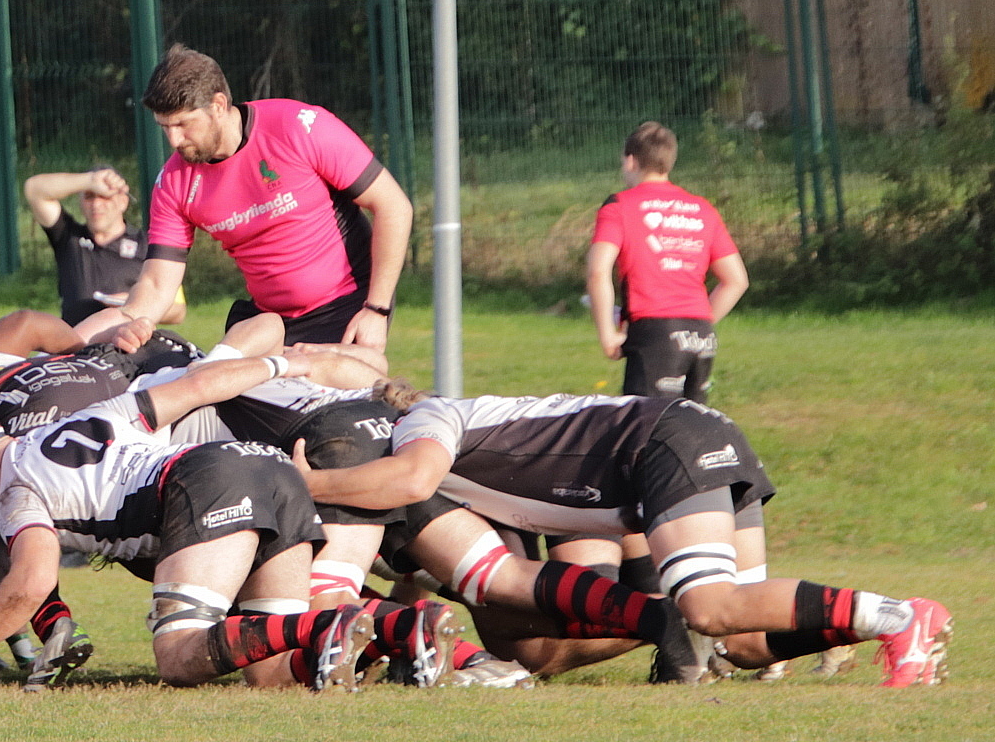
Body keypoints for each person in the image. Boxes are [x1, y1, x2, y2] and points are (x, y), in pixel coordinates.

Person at [300, 382, 954, 688]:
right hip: (686, 435)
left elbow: (411, 480)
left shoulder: (426, 420)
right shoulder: (479, 453)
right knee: (743, 642)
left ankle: (899, 618)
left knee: (707, 606)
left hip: (664, 443)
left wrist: (312, 484)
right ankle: (878, 626)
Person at [0, 351, 379, 692]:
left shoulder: (16, 491)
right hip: (269, 465)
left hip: (205, 480)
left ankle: (322, 626)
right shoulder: (92, 414)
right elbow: (199, 387)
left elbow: (29, 583)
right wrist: (285, 366)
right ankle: (407, 631)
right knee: (270, 671)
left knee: (178, 659)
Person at [74, 45, 413, 349]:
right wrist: (71, 344)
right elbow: (156, 285)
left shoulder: (299, 128)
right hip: (267, 322)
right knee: (209, 392)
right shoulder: (174, 182)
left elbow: (393, 207)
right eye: (165, 127)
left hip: (347, 305)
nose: (173, 140)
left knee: (328, 404)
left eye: (183, 124)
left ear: (218, 105)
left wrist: (376, 309)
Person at [586, 121, 748, 403]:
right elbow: (736, 281)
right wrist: (697, 325)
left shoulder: (619, 206)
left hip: (654, 335)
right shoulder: (702, 208)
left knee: (645, 434)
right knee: (689, 434)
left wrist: (608, 336)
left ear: (630, 161)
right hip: (701, 337)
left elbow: (598, 272)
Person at [23, 167, 184, 327]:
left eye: (105, 196)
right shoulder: (69, 236)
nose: (96, 204)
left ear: (123, 202)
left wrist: (134, 305)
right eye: (89, 196)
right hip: (75, 344)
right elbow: (34, 189)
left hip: (124, 345)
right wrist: (89, 180)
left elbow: (178, 311)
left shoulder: (149, 245)